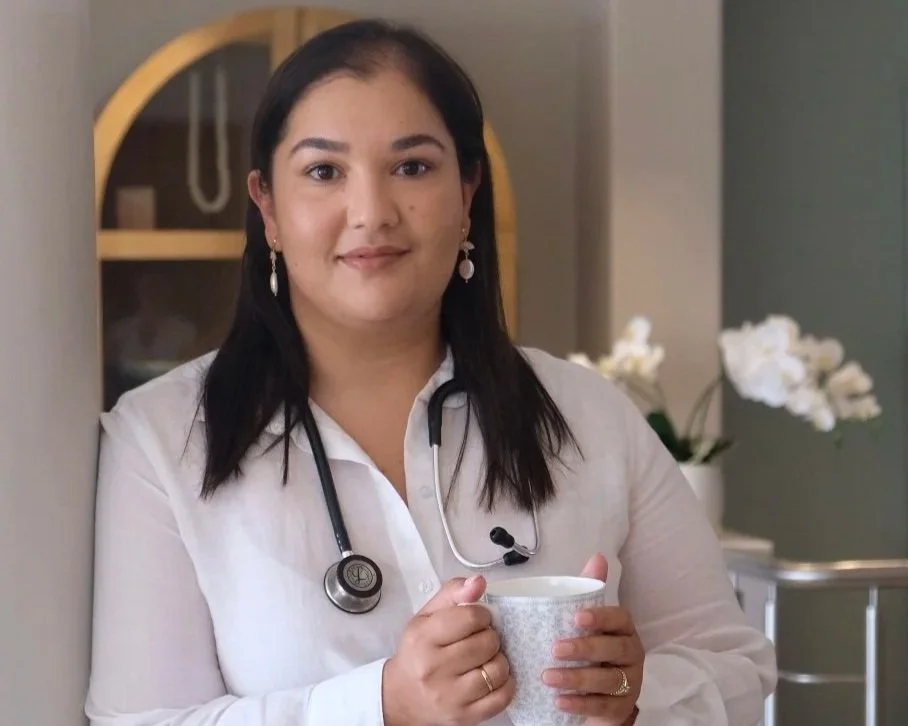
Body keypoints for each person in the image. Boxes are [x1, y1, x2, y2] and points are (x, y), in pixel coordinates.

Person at [85, 18, 777, 726]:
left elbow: (736, 669)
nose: (372, 213)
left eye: (412, 167)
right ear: (267, 206)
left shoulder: (589, 418)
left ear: (467, 189)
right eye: (324, 172)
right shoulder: (162, 440)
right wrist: (380, 705)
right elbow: (140, 721)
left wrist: (636, 697)